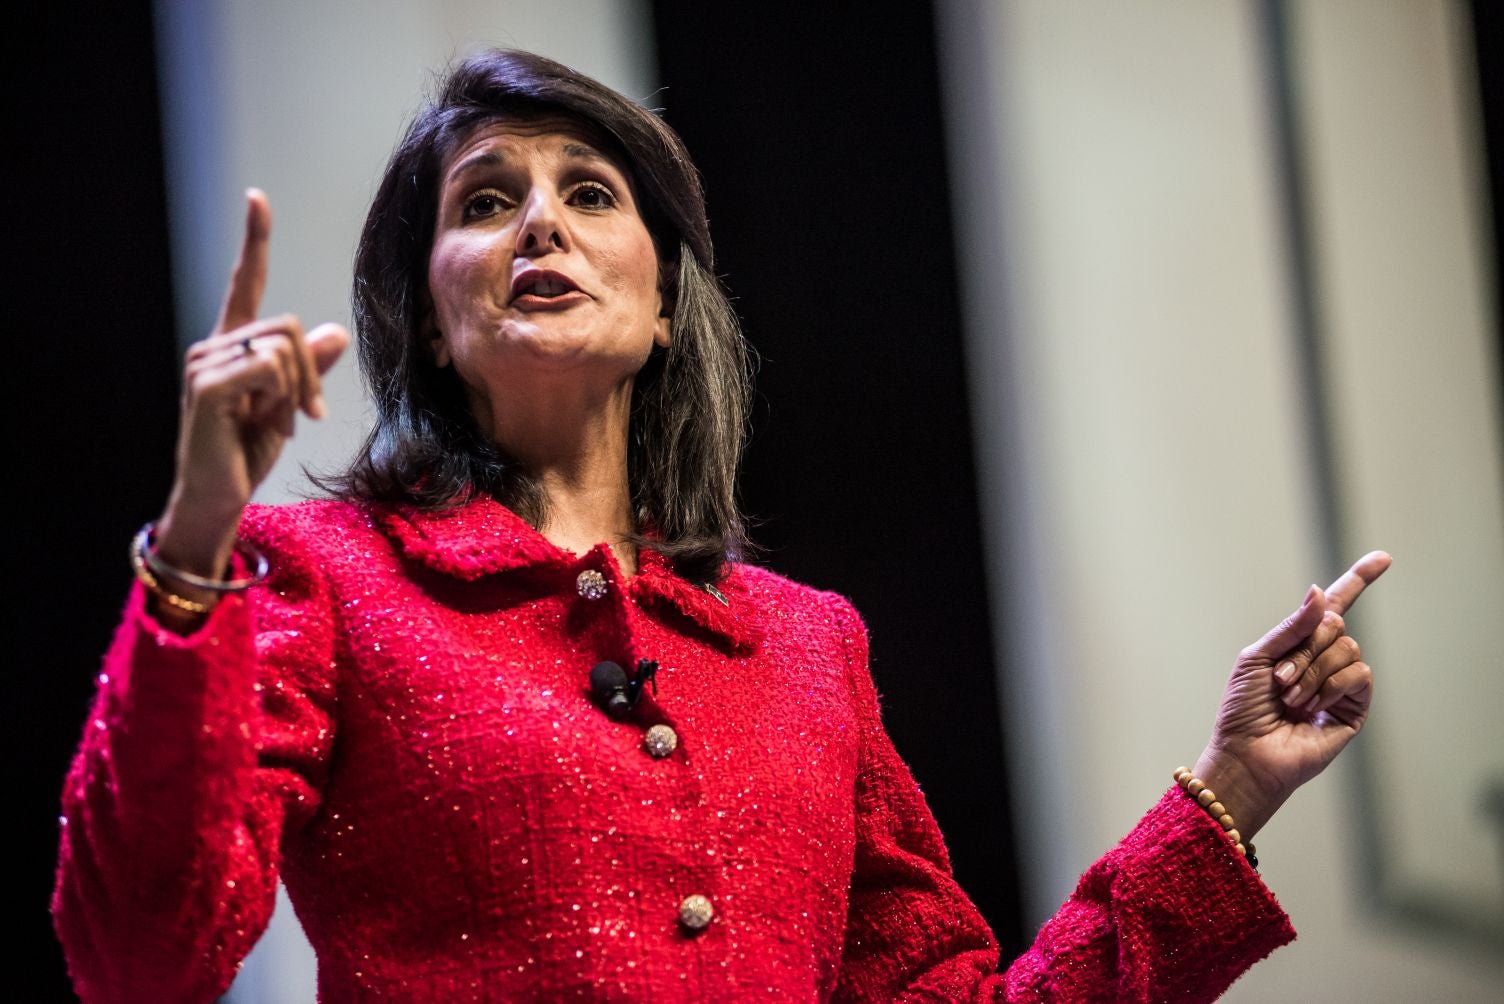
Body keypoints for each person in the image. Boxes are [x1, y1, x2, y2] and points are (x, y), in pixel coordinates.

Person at [52, 49, 1390, 1002]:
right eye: (483, 200)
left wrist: (1232, 791)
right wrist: (193, 548)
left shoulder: (810, 648)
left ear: (664, 296)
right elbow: (141, 960)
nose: (539, 224)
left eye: (589, 193)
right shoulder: (326, 580)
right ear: (434, 322)